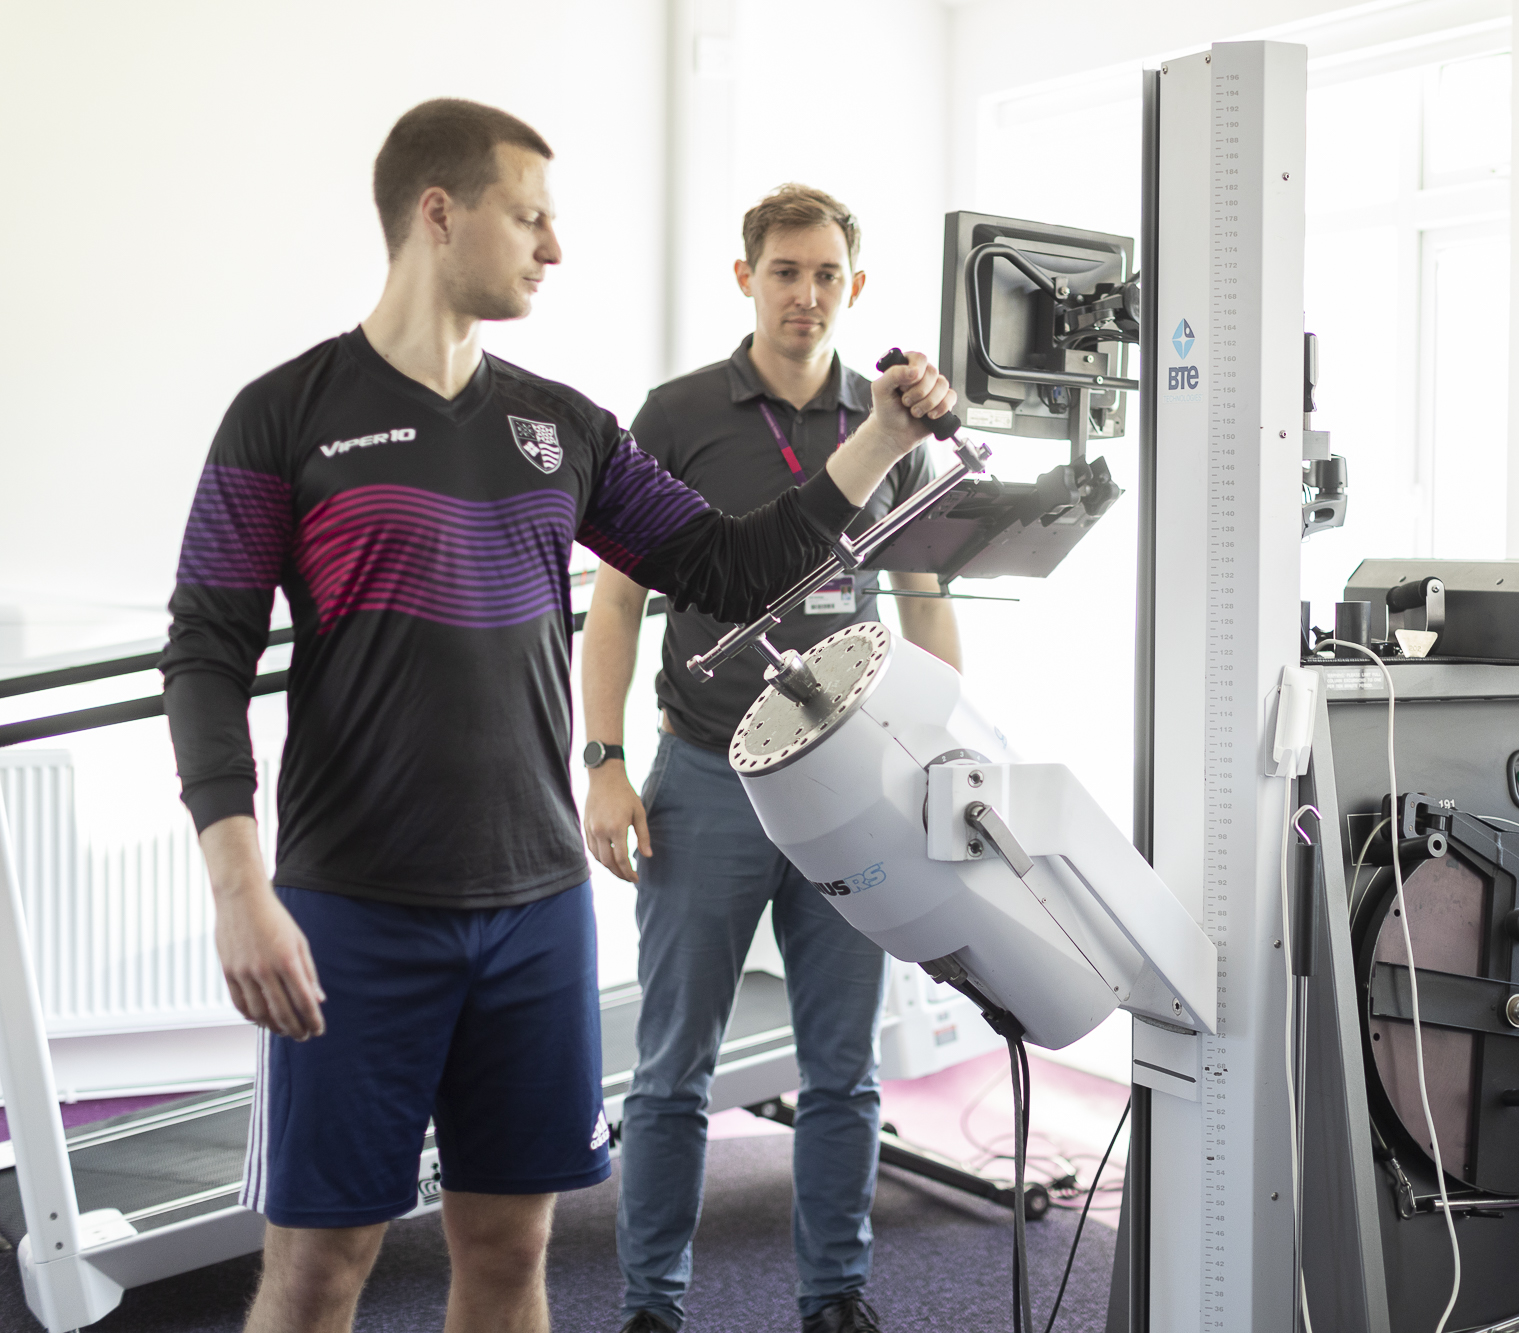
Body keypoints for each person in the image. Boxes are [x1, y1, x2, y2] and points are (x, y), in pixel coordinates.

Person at [161, 105, 954, 1333]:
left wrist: (878, 444)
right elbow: (204, 654)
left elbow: (731, 572)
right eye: (530, 215)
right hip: (353, 906)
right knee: (322, 1270)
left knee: (510, 1252)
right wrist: (236, 884)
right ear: (440, 212)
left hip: (531, 909)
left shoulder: (564, 427)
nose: (554, 246)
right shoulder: (283, 414)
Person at [581, 184, 960, 1333]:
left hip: (853, 787)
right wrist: (602, 762)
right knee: (669, 1073)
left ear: (855, 286)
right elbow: (614, 601)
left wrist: (939, 758)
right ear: (743, 278)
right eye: (784, 271)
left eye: (827, 274)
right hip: (705, 776)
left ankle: (832, 1298)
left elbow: (924, 598)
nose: (805, 293)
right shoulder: (678, 412)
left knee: (843, 1069)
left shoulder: (891, 415)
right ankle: (653, 1304)